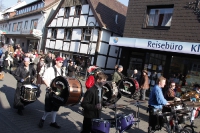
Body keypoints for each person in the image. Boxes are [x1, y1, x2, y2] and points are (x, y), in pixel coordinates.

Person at [38, 57, 65, 129]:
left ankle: (53, 122)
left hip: (58, 92)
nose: (61, 63)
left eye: (62, 62)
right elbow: (44, 78)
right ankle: (42, 119)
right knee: (49, 108)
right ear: (56, 61)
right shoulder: (50, 69)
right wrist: (49, 87)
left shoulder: (62, 71)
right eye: (60, 62)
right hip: (51, 91)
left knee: (55, 108)